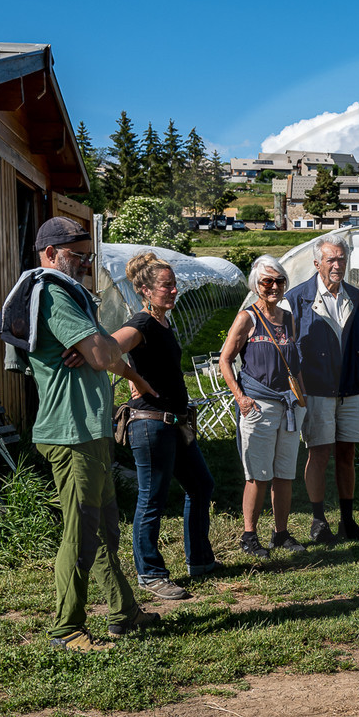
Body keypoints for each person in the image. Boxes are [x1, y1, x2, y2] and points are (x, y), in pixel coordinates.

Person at [25, 217, 154, 652]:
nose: (83, 263)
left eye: (87, 255)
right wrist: (99, 346)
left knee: (103, 531)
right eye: (75, 255)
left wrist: (101, 346)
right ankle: (67, 629)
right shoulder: (54, 293)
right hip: (69, 431)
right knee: (80, 533)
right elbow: (102, 356)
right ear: (49, 255)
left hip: (91, 429)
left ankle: (123, 612)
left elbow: (103, 354)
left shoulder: (78, 298)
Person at [111, 252, 216, 599]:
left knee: (201, 485)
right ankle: (150, 574)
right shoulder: (141, 324)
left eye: (174, 284)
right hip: (151, 424)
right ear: (144, 290)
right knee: (152, 498)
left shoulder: (163, 322)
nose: (174, 291)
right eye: (166, 286)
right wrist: (134, 378)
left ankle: (199, 559)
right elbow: (109, 351)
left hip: (176, 422)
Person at [284, 230, 359, 545]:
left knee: (346, 452)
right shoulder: (297, 299)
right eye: (330, 259)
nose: (337, 265)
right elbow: (289, 349)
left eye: (341, 259)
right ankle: (318, 520)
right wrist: (299, 389)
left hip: (350, 388)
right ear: (316, 262)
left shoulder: (357, 299)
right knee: (319, 453)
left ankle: (348, 521)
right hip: (317, 390)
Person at [218, 255, 307, 559]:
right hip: (258, 405)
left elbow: (296, 365)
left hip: (289, 406)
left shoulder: (288, 318)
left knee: (284, 473)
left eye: (279, 281)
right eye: (267, 281)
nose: (273, 287)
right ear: (256, 284)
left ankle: (280, 533)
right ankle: (249, 535)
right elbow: (225, 359)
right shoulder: (248, 317)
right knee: (258, 473)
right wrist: (241, 398)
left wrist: (302, 400)